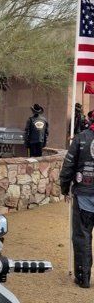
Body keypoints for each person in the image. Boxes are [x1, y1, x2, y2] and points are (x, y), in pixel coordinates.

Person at [60, 110, 94, 288]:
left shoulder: (81, 138)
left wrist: (65, 189)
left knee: (82, 236)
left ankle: (83, 277)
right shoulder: (80, 138)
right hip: (84, 193)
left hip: (85, 195)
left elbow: (68, 166)